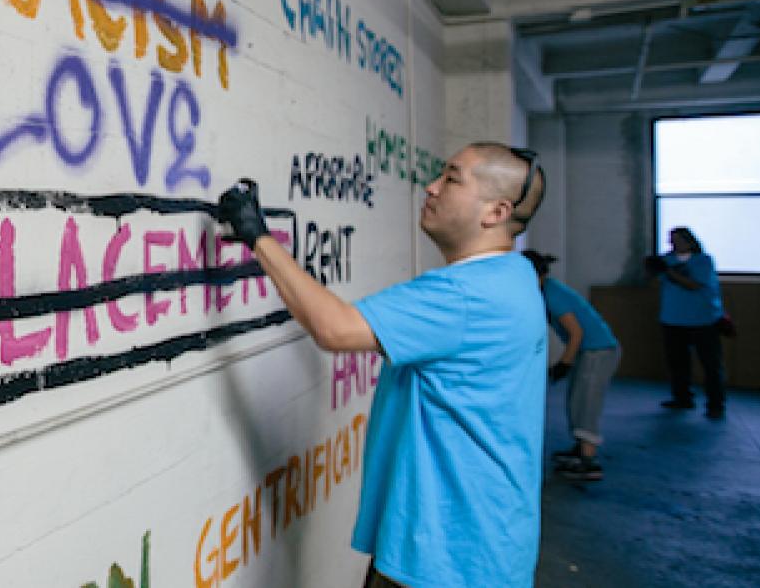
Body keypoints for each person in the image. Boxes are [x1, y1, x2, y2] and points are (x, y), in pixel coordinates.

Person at [216, 143, 547, 588]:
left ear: (496, 211)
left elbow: (334, 329)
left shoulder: (466, 294)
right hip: (482, 541)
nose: (430, 188)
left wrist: (257, 235)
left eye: (451, 179)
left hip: (448, 557)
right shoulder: (514, 276)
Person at [522, 250, 620, 482]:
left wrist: (564, 363)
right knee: (577, 399)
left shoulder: (552, 295)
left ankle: (589, 461)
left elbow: (576, 333)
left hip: (598, 351)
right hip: (591, 351)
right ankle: (580, 449)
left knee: (587, 402)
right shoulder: (546, 290)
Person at [646, 227, 725, 419]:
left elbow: (694, 285)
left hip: (703, 320)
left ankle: (715, 404)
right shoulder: (667, 260)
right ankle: (682, 398)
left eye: (679, 240)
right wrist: (651, 270)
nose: (674, 243)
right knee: (677, 363)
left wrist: (668, 272)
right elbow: (654, 282)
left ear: (690, 241)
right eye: (671, 240)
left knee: (710, 364)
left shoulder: (703, 261)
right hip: (673, 319)